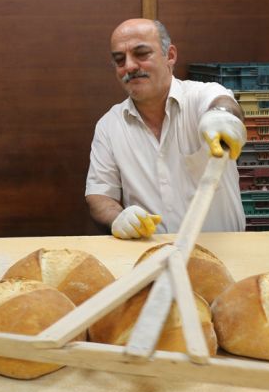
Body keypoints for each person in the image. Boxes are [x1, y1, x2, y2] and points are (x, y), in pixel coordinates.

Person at [85, 18, 246, 239]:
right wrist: (118, 218)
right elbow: (99, 195)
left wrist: (222, 116)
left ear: (170, 55)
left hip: (225, 252)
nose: (129, 66)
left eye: (141, 53)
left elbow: (223, 102)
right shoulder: (109, 125)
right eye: (119, 60)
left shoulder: (200, 95)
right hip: (152, 254)